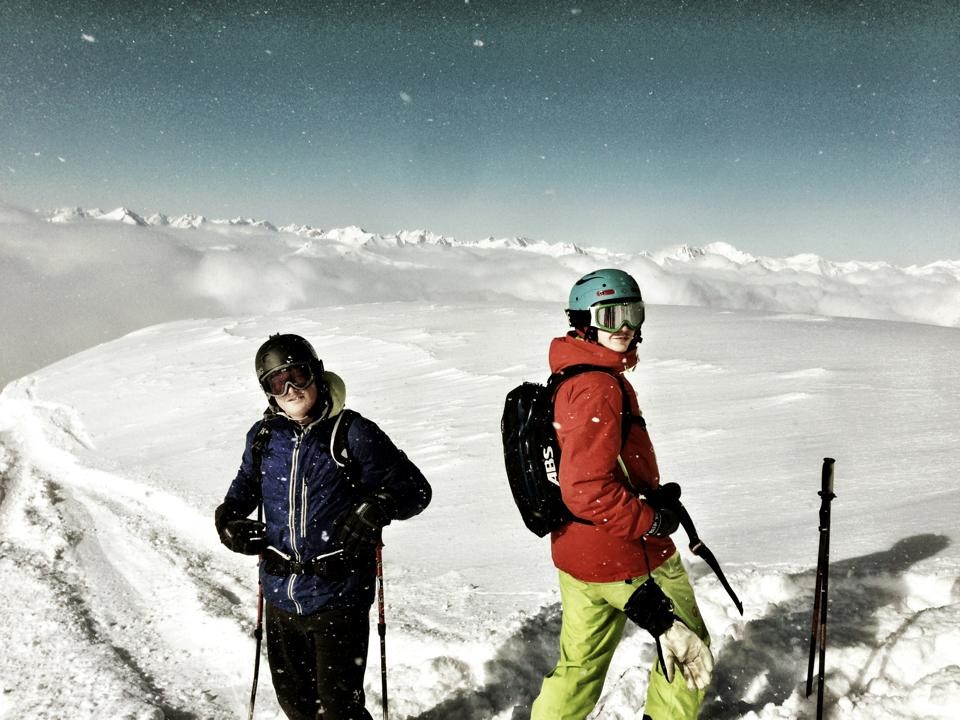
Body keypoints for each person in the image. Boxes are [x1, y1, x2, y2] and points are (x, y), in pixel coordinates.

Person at [215, 333, 431, 720]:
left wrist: (379, 505)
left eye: (297, 375)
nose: (291, 390)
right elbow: (242, 491)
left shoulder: (352, 432)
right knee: (296, 706)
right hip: (280, 596)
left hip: (339, 595)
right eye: (278, 382)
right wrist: (226, 521)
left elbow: (415, 490)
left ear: (316, 373)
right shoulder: (263, 438)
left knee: (338, 709)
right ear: (267, 391)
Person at [530, 269, 713, 720]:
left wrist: (647, 491)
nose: (626, 327)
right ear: (583, 322)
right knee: (687, 652)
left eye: (634, 314)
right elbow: (586, 488)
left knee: (578, 670)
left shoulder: (574, 376)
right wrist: (651, 520)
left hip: (579, 553)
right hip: (626, 554)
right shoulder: (598, 387)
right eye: (611, 316)